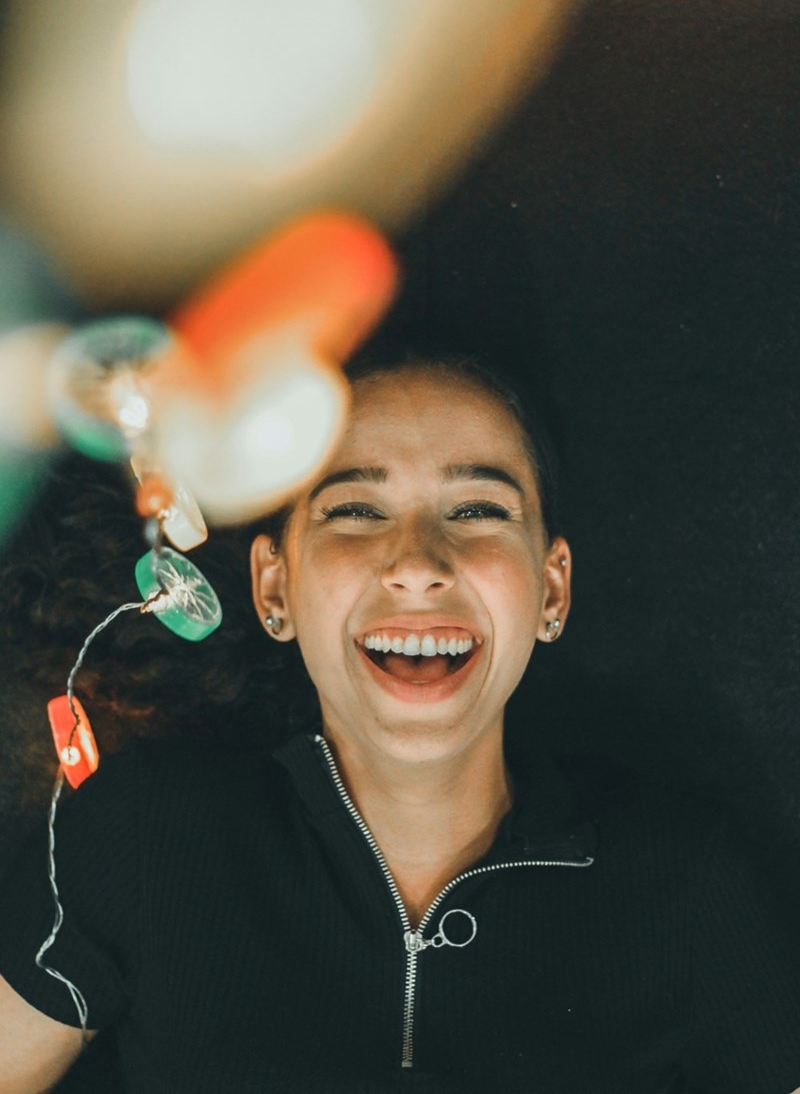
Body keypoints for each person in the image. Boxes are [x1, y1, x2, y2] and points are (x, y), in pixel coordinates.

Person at [0, 356, 799, 1094]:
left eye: (478, 508)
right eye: (355, 510)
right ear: (273, 590)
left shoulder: (691, 880)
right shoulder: (141, 831)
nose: (417, 561)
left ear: (551, 591)